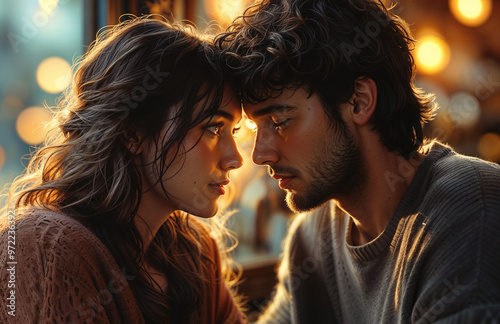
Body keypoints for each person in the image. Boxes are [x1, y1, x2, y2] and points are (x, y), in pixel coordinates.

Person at [216, 0, 500, 322]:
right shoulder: (313, 237)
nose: (259, 155)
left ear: (359, 101)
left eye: (279, 122)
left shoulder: (470, 208)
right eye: (256, 128)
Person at [0, 17, 246, 323]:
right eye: (213, 128)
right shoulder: (47, 251)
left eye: (233, 131)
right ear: (132, 133)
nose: (235, 158)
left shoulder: (196, 252)